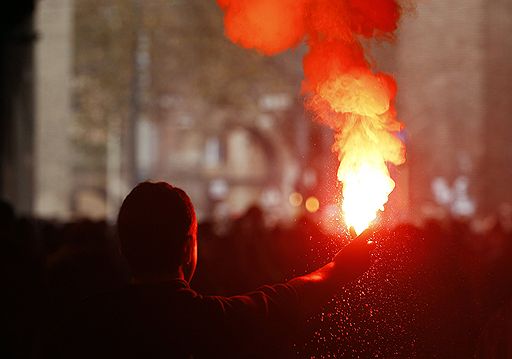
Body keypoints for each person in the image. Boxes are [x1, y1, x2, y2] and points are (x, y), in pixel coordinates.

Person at [48, 181, 374, 358]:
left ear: (123, 247)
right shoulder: (212, 322)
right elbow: (285, 298)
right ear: (188, 247)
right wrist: (340, 268)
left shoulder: (82, 322)